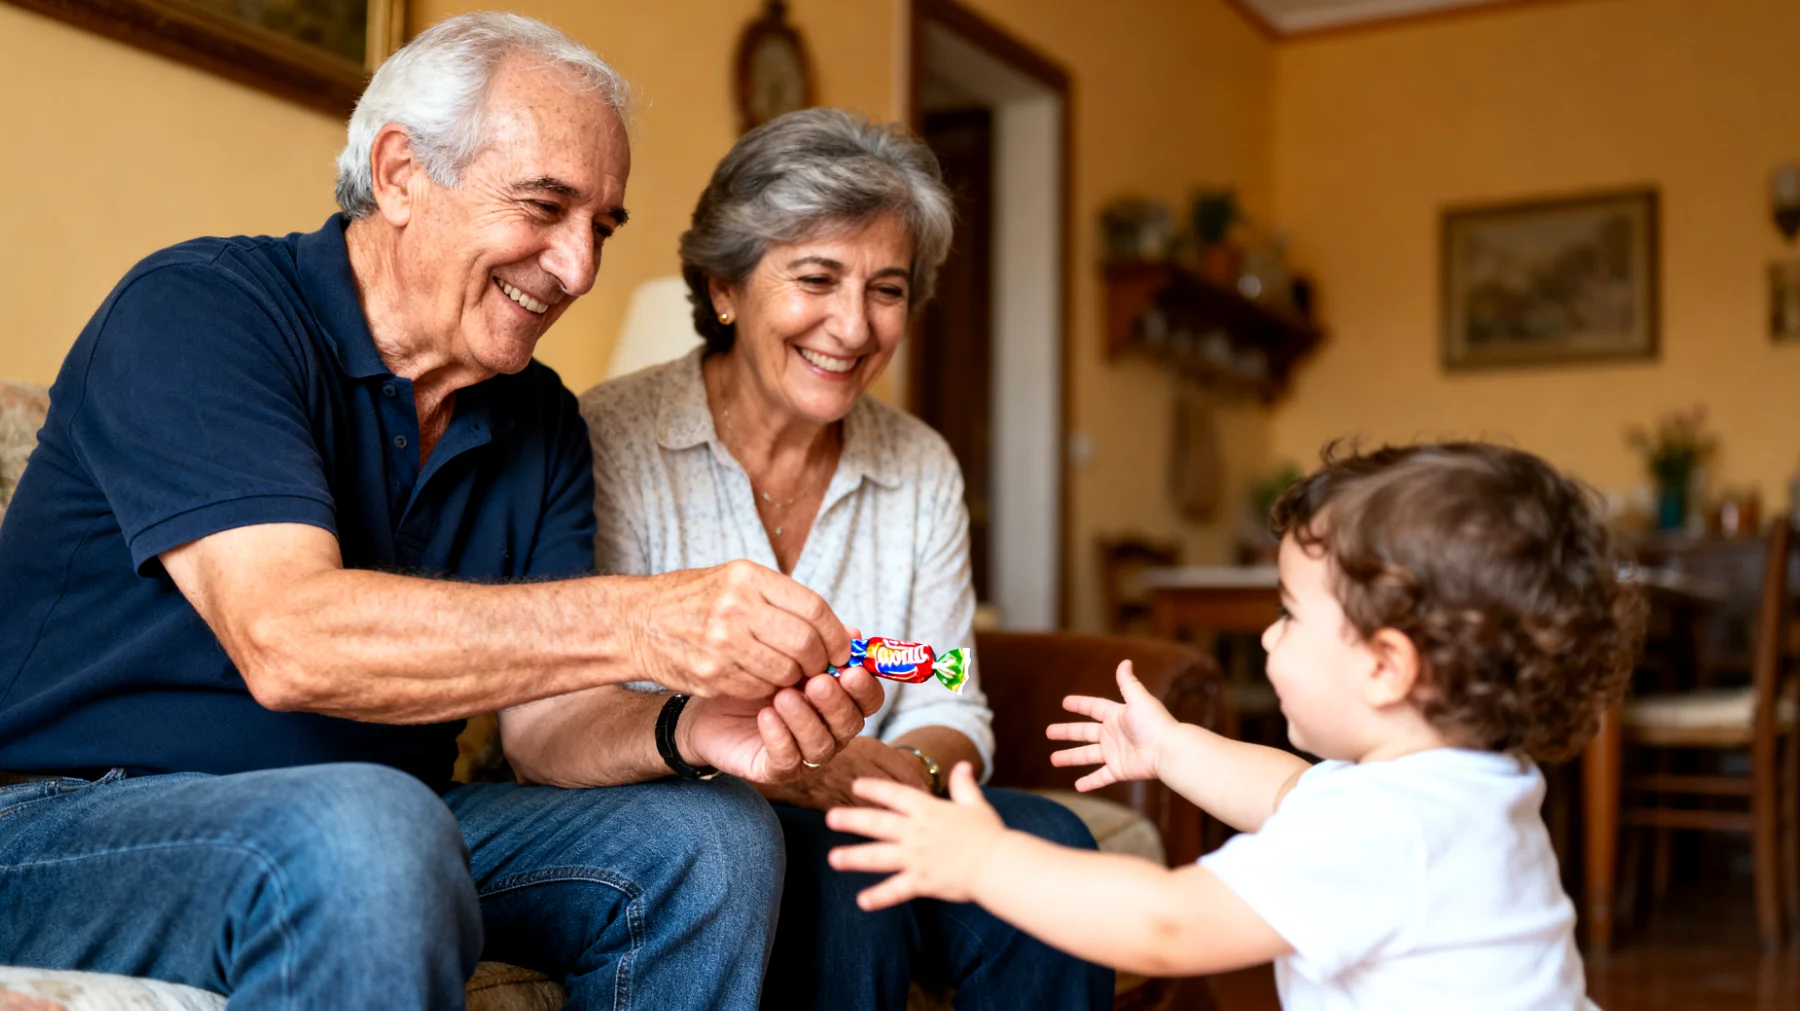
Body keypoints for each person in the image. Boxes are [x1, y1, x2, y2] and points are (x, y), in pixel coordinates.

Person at [0, 13, 887, 1011]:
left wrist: (693, 729)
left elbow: (550, 729)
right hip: (65, 825)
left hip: (394, 819)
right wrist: (646, 619)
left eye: (600, 227)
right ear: (400, 173)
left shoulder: (539, 420)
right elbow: (288, 637)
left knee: (712, 838)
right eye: (546, 208)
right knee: (373, 829)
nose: (578, 268)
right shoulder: (200, 312)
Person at [577, 107, 1111, 1010]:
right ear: (724, 287)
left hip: (877, 804)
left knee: (1053, 842)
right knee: (842, 876)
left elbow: (943, 680)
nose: (855, 328)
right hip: (700, 807)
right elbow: (593, 708)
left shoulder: (920, 466)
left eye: (888, 289)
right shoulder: (610, 439)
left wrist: (913, 770)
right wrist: (800, 772)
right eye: (817, 278)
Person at [829, 441, 1648, 1009]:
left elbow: (1166, 924)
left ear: (1385, 665)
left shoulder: (1386, 826)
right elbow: (1293, 791)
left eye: (1289, 615)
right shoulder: (1458, 786)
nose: (1267, 635)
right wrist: (1171, 747)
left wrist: (987, 860)